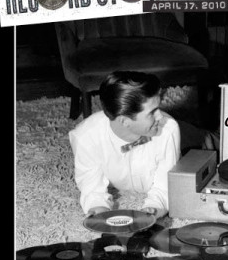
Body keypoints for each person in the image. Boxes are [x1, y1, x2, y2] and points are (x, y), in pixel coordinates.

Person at [68, 71, 181, 219]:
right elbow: (91, 187)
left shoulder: (168, 129)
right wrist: (98, 208)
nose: (159, 116)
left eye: (158, 108)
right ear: (124, 121)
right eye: (152, 112)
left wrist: (154, 207)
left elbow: (165, 186)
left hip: (187, 139)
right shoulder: (86, 137)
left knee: (204, 147)